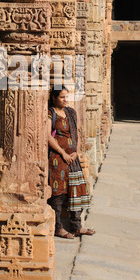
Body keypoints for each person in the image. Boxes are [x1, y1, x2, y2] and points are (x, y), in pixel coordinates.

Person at [48, 86, 95, 239]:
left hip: (73, 158)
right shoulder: (51, 113)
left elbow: (76, 132)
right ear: (54, 98)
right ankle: (58, 228)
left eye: (66, 96)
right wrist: (63, 153)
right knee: (58, 194)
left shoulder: (71, 112)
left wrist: (76, 151)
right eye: (62, 97)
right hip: (58, 160)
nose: (65, 100)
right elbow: (48, 136)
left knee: (77, 191)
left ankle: (76, 226)